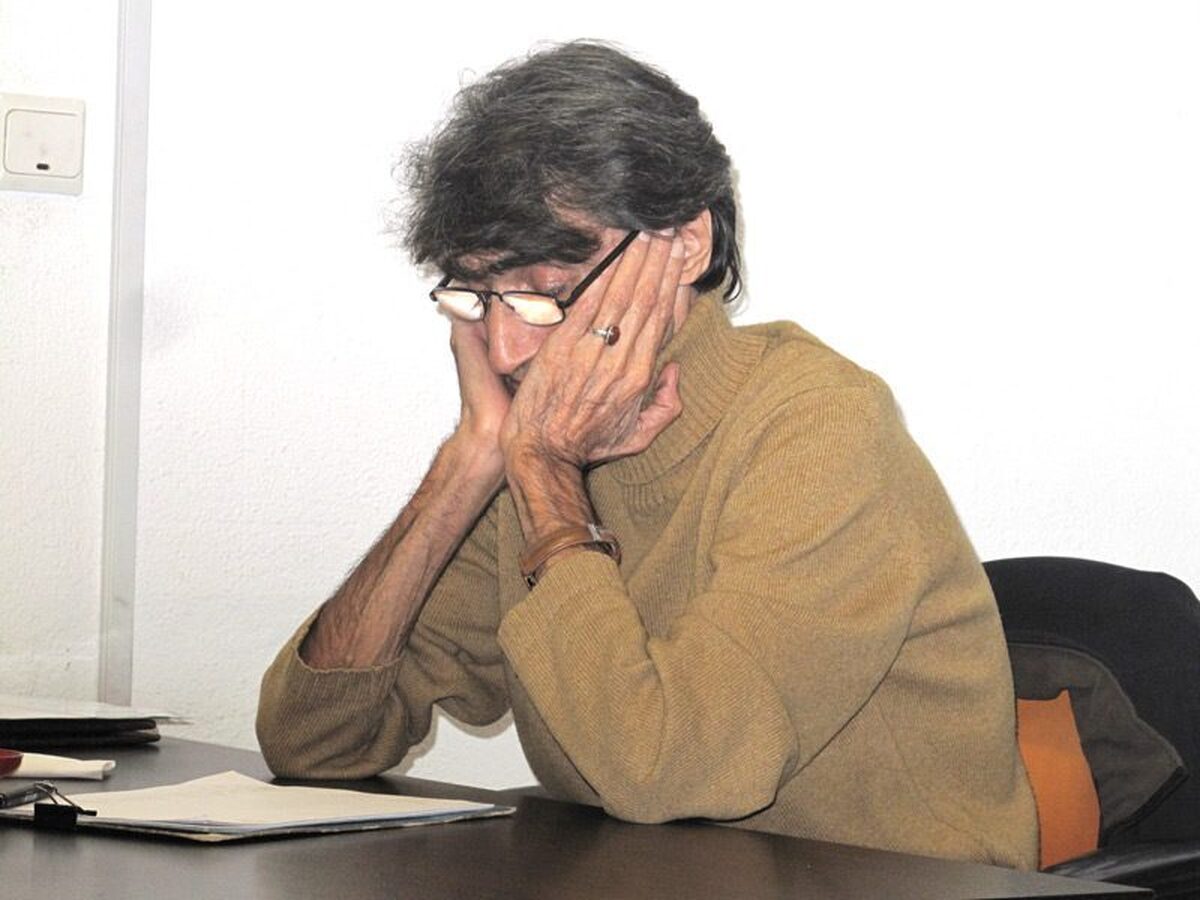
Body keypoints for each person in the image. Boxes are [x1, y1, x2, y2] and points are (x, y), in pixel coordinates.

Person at [257, 40, 1038, 869]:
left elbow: (668, 770)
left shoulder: (822, 426)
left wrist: (545, 474)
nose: (507, 348)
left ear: (686, 244)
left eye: (545, 292)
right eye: (478, 296)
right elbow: (313, 742)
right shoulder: (539, 436)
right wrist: (473, 457)